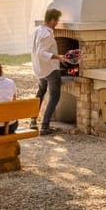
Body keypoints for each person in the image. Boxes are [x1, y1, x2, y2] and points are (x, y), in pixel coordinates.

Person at [31, 8, 65, 136]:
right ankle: (45, 127)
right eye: (56, 21)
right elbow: (41, 52)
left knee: (41, 91)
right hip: (50, 69)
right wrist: (59, 57)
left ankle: (33, 120)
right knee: (54, 97)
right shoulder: (46, 34)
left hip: (40, 69)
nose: (57, 23)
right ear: (51, 20)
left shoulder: (38, 30)